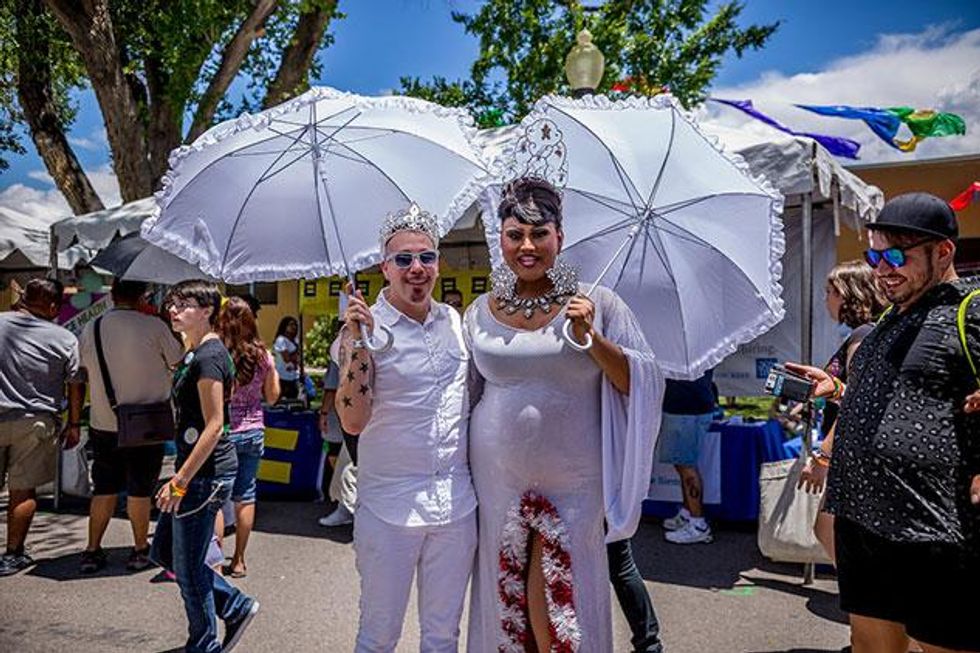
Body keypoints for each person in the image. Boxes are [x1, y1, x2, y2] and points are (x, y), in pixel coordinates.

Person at [463, 178, 663, 651]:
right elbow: (465, 395)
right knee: (505, 595)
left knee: (563, 601)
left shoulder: (599, 304)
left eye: (539, 234)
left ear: (560, 237)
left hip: (575, 482)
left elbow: (641, 382)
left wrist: (590, 335)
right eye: (515, 235)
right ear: (501, 240)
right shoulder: (478, 310)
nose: (527, 246)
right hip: (496, 482)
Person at [787, 193, 980, 653]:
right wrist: (836, 391)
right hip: (864, 523)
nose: (882, 268)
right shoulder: (890, 317)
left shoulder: (969, 308)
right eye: (875, 255)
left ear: (944, 252)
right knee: (871, 646)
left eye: (897, 255)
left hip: (934, 528)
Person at [336, 203, 477, 652]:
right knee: (379, 636)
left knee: (442, 636)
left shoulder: (455, 323)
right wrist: (358, 342)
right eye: (403, 259)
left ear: (438, 263)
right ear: (385, 267)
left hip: (456, 506)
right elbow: (352, 421)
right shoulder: (362, 330)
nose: (416, 268)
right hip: (389, 510)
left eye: (426, 257)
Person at [150, 280, 259, 653]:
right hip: (194, 470)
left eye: (185, 304)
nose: (174, 310)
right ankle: (234, 604)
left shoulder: (211, 355)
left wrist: (179, 481)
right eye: (172, 303)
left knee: (191, 569)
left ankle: (204, 644)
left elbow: (214, 425)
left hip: (204, 476)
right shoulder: (196, 353)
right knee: (165, 553)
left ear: (209, 310)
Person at [78, 279, 185, 574]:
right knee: (140, 489)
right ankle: (139, 549)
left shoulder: (93, 327)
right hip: (146, 424)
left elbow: (83, 368)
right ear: (142, 297)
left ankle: (91, 550)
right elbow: (179, 360)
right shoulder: (154, 326)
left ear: (112, 296)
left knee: (104, 488)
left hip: (104, 422)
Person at [796, 261, 886, 562]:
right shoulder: (862, 333)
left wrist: (823, 457)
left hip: (849, 451)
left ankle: (867, 602)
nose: (826, 299)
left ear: (848, 294)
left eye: (830, 292)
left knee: (828, 529)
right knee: (829, 529)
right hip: (852, 450)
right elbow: (845, 391)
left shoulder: (863, 334)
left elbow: (857, 400)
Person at [0, 278, 81, 577]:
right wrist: (74, 423)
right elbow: (75, 383)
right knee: (23, 490)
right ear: (51, 305)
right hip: (35, 421)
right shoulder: (63, 338)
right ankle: (12, 555)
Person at [214, 296, 280, 578]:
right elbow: (273, 398)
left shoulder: (218, 353)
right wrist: (273, 368)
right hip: (254, 431)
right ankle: (239, 560)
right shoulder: (262, 355)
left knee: (217, 498)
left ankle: (215, 560)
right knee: (246, 495)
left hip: (226, 432)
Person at [658, 370, 717, 544]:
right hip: (680, 406)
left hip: (689, 408)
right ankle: (687, 513)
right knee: (681, 464)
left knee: (686, 466)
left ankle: (698, 524)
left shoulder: (695, 346)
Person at [317, 335, 353, 527]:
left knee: (342, 462)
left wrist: (323, 413)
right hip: (356, 418)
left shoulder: (341, 352)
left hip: (341, 418)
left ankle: (344, 507)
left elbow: (331, 390)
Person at [273, 316, 300, 400]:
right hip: (282, 377)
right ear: (284, 326)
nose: (293, 327)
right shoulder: (281, 340)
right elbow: (286, 358)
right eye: (291, 325)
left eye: (295, 325)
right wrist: (295, 355)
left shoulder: (295, 340)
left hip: (294, 376)